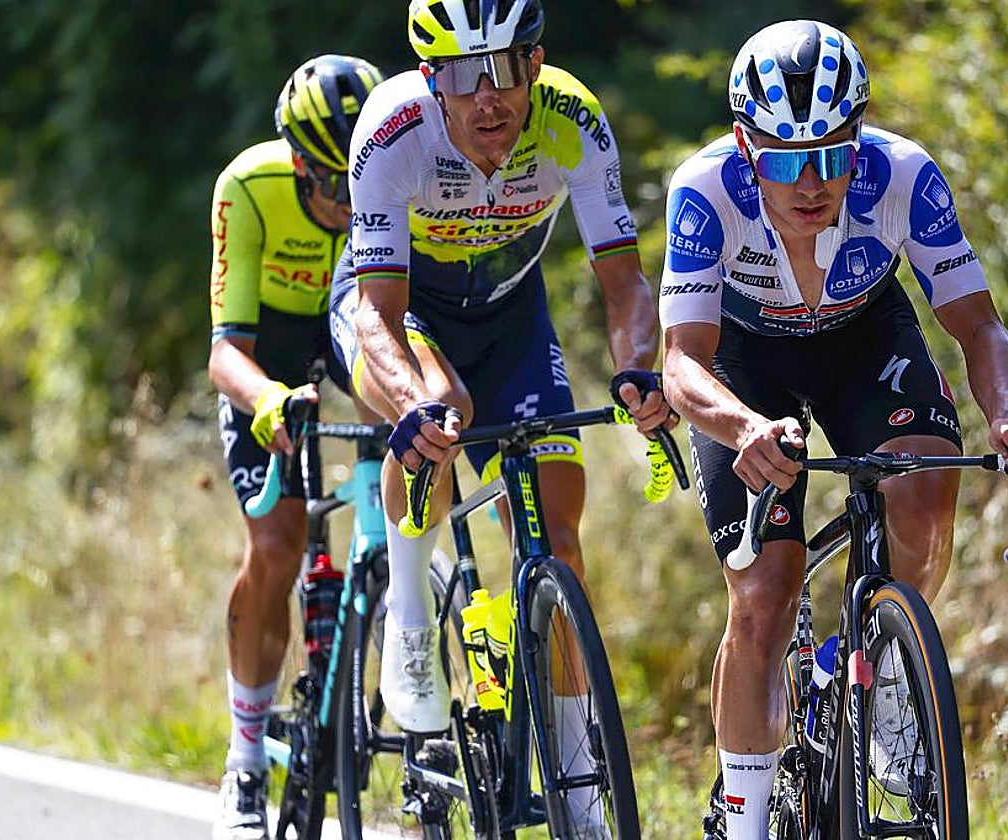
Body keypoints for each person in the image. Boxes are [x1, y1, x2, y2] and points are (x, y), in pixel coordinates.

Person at [657, 19, 1008, 840]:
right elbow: (681, 363)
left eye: (832, 155)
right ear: (744, 145)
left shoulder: (903, 175)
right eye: (788, 161)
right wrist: (743, 427)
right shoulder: (704, 188)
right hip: (744, 360)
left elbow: (980, 329)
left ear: (858, 139)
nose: (812, 183)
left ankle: (886, 670)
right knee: (763, 592)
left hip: (862, 340)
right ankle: (745, 812)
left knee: (926, 488)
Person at [328, 0, 671, 831]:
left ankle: (576, 776)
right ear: (428, 81)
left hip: (513, 317)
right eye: (460, 76)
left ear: (538, 64)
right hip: (399, 312)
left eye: (508, 71)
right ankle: (410, 620)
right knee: (445, 411)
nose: (488, 98)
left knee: (557, 536)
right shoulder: (391, 132)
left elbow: (625, 283)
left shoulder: (573, 121)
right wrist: (412, 404)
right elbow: (378, 310)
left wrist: (636, 369)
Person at [206, 53, 384, 840]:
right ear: (301, 164)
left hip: (352, 324)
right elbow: (223, 353)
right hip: (267, 354)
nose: (351, 204)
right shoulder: (249, 186)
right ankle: (245, 763)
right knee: (277, 546)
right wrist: (270, 400)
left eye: (362, 184)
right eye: (334, 186)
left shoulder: (391, 171)